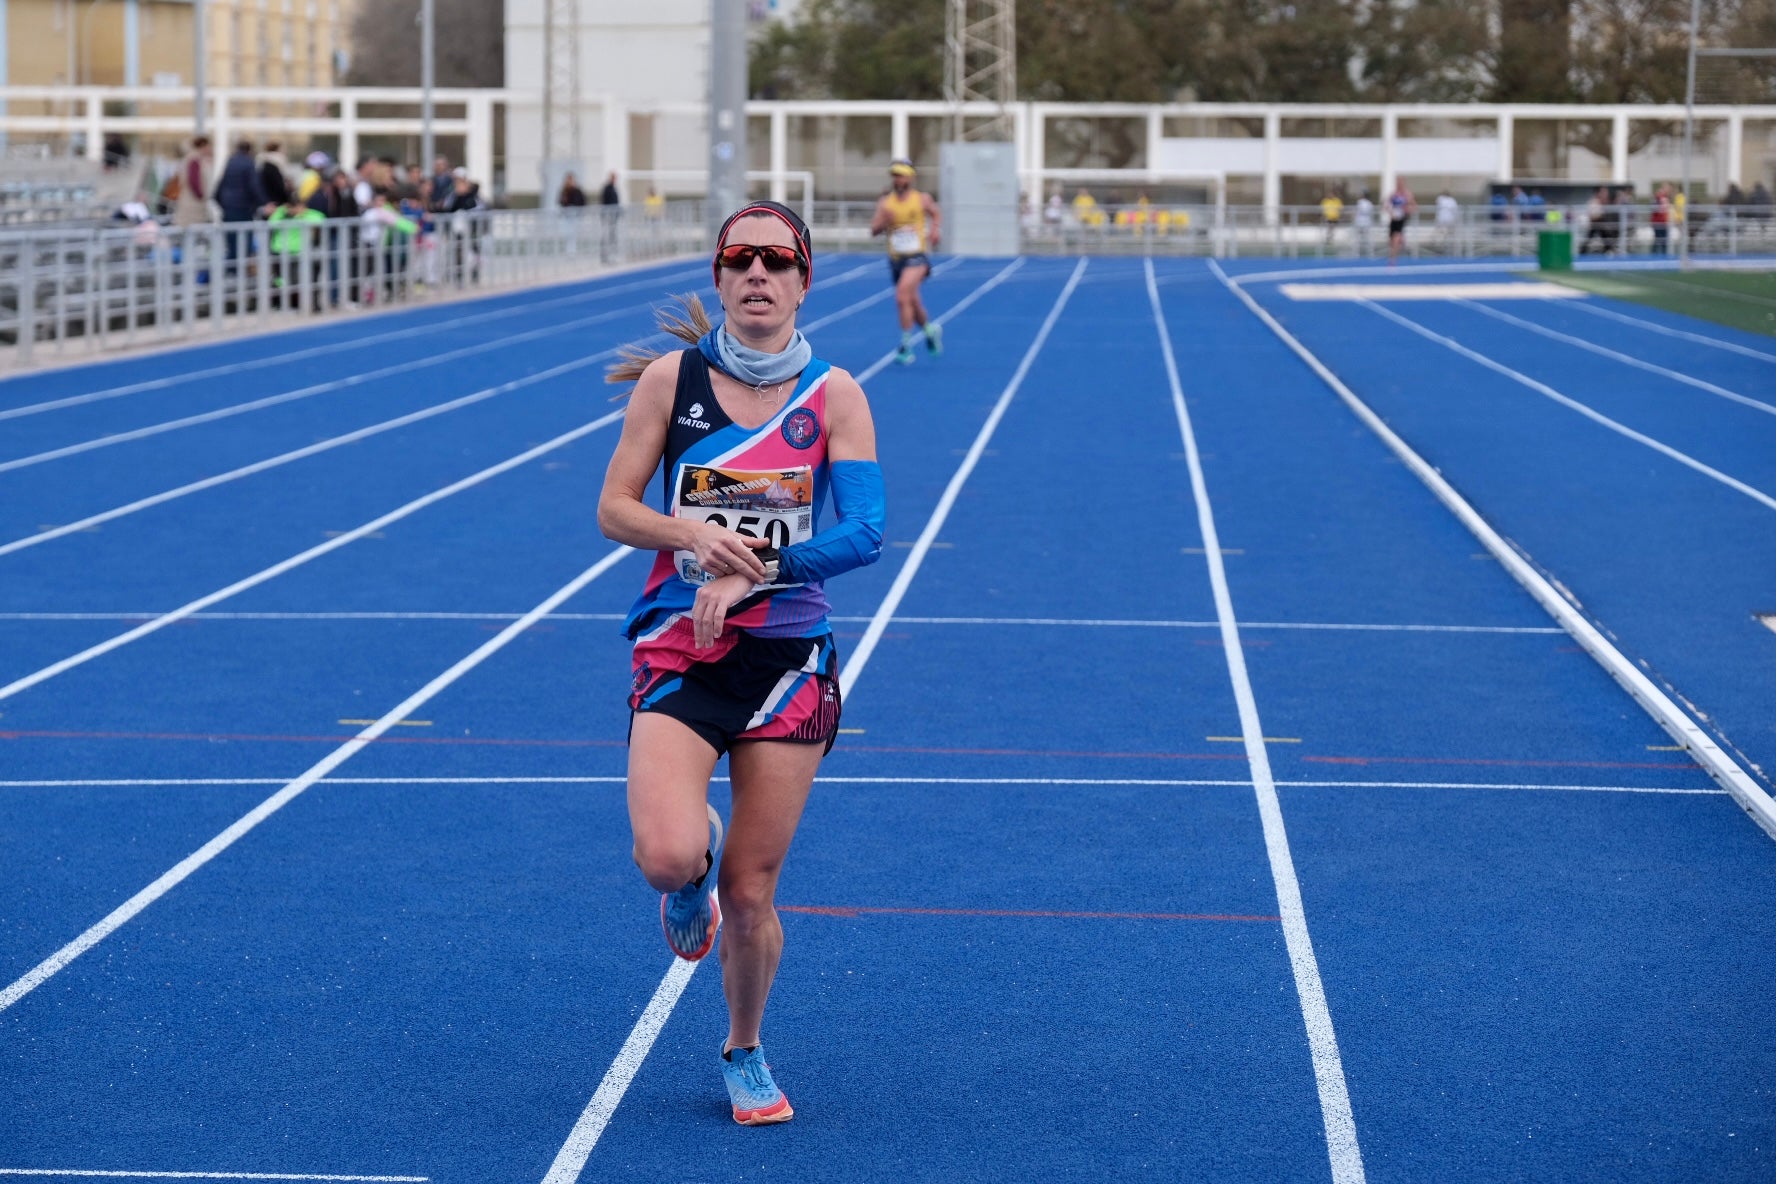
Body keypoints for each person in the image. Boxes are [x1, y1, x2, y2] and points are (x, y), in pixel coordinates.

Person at [597, 200, 884, 1126]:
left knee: (753, 891)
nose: (757, 275)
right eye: (739, 260)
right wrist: (692, 536)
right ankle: (690, 880)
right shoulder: (672, 382)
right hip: (683, 646)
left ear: (805, 279)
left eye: (777, 261)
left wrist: (759, 567)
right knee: (670, 854)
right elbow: (614, 509)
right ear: (720, 277)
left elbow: (866, 531)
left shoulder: (835, 394)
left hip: (786, 657)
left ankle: (744, 1048)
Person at [869, 158, 943, 365]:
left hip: (917, 256)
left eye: (901, 175)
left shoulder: (921, 199)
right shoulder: (886, 203)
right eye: (895, 175)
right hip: (896, 259)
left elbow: (936, 213)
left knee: (902, 296)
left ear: (910, 177)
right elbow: (873, 230)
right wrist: (885, 220)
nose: (898, 179)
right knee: (912, 300)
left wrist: (935, 230)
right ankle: (929, 330)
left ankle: (905, 346)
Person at [172, 135, 214, 227]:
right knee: (192, 231)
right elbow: (194, 181)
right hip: (193, 204)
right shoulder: (194, 160)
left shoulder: (190, 159)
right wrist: (201, 195)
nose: (211, 149)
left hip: (189, 202)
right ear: (203, 146)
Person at [1386, 178, 1416, 265]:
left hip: (1401, 219)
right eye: (1398, 183)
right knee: (1391, 241)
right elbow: (1386, 205)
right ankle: (1401, 242)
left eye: (1401, 183)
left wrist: (1408, 210)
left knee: (1396, 238)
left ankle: (1393, 260)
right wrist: (1391, 212)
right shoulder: (1394, 194)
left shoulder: (1407, 194)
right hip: (1393, 219)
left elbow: (1414, 205)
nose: (1399, 184)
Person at [1353, 189, 1375, 256]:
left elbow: (1356, 211)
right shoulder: (1369, 203)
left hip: (1361, 222)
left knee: (1360, 239)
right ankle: (1369, 253)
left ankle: (1357, 253)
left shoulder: (1360, 202)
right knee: (1366, 239)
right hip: (1365, 222)